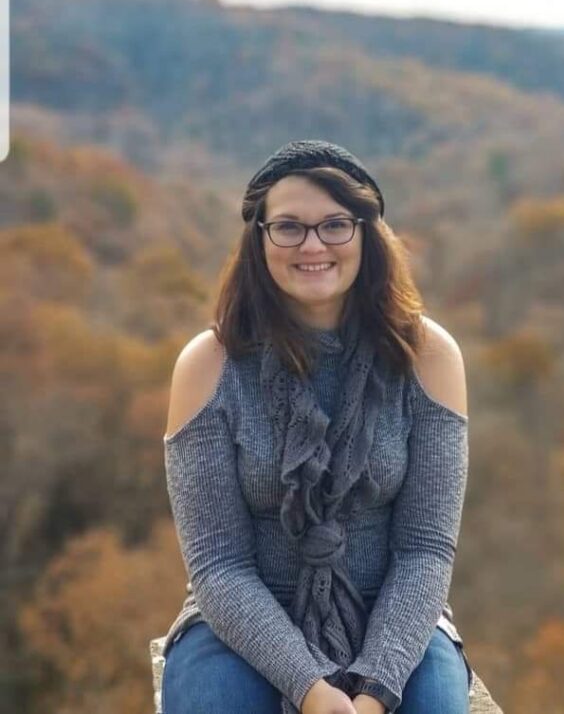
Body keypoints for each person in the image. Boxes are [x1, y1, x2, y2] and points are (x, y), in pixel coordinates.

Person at [158, 140, 473, 714]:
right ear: (259, 239)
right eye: (289, 228)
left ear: (366, 234)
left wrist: (377, 688)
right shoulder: (209, 366)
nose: (312, 245)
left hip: (393, 618)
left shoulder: (428, 357)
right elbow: (218, 564)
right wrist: (310, 688)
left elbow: (426, 549)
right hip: (241, 624)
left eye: (334, 225)